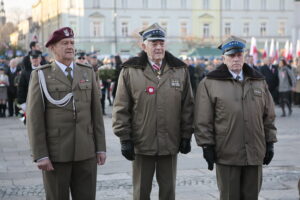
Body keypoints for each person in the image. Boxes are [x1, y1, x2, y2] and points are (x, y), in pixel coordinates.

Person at [112, 23, 194, 200]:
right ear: (144, 46)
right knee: (141, 191)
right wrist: (124, 138)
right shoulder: (130, 71)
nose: (158, 47)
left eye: (161, 43)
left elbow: (188, 106)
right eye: (154, 43)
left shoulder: (180, 70)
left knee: (168, 191)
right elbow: (121, 107)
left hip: (170, 142)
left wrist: (186, 135)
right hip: (142, 142)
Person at [26, 27, 106, 200]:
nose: (70, 47)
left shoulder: (87, 71)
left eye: (72, 43)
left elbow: (96, 114)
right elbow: (35, 119)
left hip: (86, 152)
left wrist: (100, 148)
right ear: (53, 48)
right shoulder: (41, 75)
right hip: (56, 154)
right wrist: (41, 154)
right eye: (64, 43)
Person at [194, 36, 277, 200]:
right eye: (231, 55)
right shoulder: (209, 83)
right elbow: (203, 119)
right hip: (227, 153)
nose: (236, 59)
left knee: (252, 196)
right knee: (230, 196)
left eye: (239, 54)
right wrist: (206, 146)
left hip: (254, 152)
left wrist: (270, 143)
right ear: (223, 57)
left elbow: (269, 116)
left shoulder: (258, 81)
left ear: (244, 56)